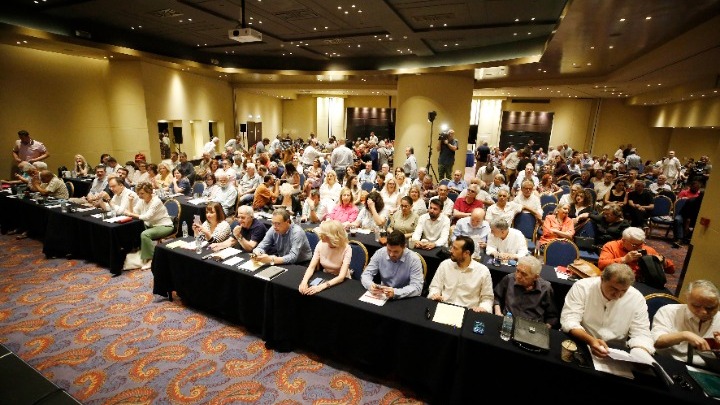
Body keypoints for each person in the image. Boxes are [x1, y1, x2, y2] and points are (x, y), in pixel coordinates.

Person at [560, 263, 655, 358]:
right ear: (602, 279)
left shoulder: (636, 298)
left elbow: (641, 333)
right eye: (614, 289)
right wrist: (590, 340)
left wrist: (641, 352)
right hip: (582, 342)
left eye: (623, 291)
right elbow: (569, 320)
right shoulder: (583, 287)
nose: (618, 295)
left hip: (615, 352)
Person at [652, 280, 720, 362]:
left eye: (710, 308)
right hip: (671, 362)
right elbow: (657, 342)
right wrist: (684, 335)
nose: (704, 312)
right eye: (696, 306)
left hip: (709, 366)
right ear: (687, 299)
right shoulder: (669, 311)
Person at [428, 236, 494, 312]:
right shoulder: (445, 265)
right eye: (452, 247)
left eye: (455, 249)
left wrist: (482, 308)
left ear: (466, 253)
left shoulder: (483, 271)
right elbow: (434, 287)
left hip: (468, 312)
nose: (451, 251)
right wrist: (435, 295)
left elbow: (487, 298)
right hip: (444, 307)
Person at [494, 255, 559, 328]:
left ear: (535, 277)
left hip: (531, 328)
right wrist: (498, 312)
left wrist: (544, 328)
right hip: (508, 324)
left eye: (524, 274)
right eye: (517, 271)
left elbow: (552, 316)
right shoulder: (509, 279)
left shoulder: (546, 288)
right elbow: (496, 297)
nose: (518, 276)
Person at [124, 182, 174, 271]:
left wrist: (130, 214)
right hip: (151, 225)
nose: (140, 196)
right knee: (135, 228)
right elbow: (134, 213)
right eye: (138, 193)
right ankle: (137, 251)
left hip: (164, 226)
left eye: (142, 193)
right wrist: (130, 201)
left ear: (149, 192)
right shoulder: (142, 200)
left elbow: (147, 217)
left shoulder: (156, 201)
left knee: (145, 234)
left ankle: (152, 260)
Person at [361, 230, 424, 300]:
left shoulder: (414, 259)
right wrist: (370, 285)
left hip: (404, 297)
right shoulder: (380, 253)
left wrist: (395, 292)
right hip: (383, 294)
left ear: (404, 247)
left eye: (396, 251)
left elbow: (417, 287)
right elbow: (366, 274)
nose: (391, 254)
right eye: (389, 250)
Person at [598, 227, 674, 280]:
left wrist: (663, 261)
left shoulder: (647, 249)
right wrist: (624, 259)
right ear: (623, 240)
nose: (639, 247)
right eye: (634, 245)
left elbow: (671, 270)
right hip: (617, 280)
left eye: (641, 244)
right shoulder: (611, 246)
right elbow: (601, 265)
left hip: (642, 283)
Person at [298, 220, 352, 295]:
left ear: (332, 236)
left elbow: (341, 277)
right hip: (326, 275)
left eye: (323, 234)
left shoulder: (347, 248)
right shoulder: (320, 244)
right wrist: (304, 282)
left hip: (341, 280)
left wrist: (321, 287)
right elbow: (311, 267)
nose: (320, 235)